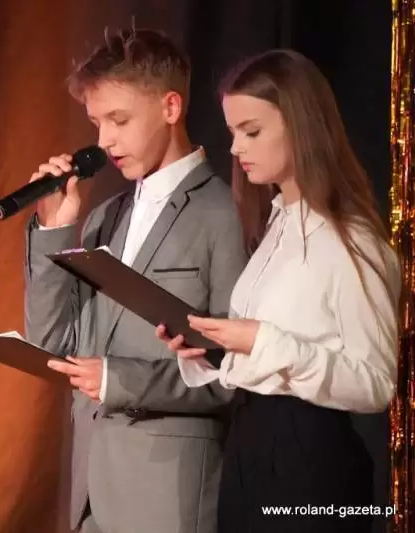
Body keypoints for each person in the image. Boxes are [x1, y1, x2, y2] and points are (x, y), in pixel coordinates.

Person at [156, 49, 401, 533]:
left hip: (309, 462)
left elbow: (375, 384)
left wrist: (263, 341)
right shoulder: (275, 225)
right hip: (249, 448)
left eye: (251, 131)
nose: (235, 148)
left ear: (301, 126)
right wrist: (210, 350)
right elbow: (266, 359)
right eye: (232, 132)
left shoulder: (351, 242)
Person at [23, 28, 247, 533]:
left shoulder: (225, 214)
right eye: (97, 123)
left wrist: (117, 380)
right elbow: (52, 345)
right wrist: (55, 229)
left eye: (118, 120)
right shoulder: (104, 217)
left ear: (170, 107)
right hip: (88, 496)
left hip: (165, 495)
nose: (104, 140)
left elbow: (233, 375)